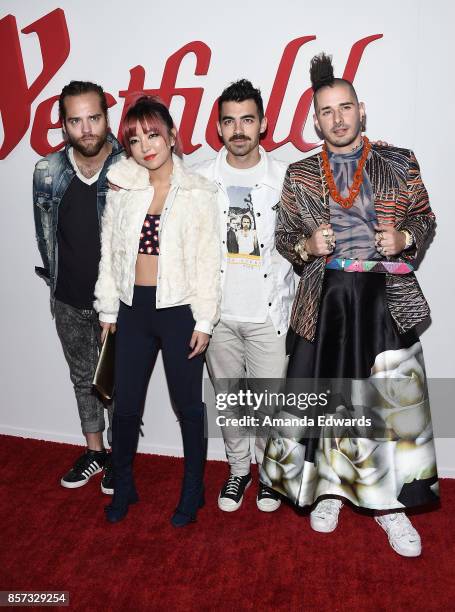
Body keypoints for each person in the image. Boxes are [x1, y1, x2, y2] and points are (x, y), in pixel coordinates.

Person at [260, 53, 438, 557]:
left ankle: (392, 505)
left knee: (387, 404)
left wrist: (404, 235)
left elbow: (425, 219)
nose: (337, 119)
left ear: (362, 110)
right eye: (326, 111)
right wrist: (305, 247)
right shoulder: (299, 174)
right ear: (314, 119)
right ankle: (332, 491)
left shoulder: (399, 161)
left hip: (385, 300)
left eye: (345, 108)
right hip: (327, 301)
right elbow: (284, 236)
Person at [94, 96, 220, 526]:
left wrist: (204, 320)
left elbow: (208, 261)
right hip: (132, 310)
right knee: (125, 406)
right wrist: (107, 309)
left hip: (179, 310)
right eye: (134, 139)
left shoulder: (199, 191)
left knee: (189, 407)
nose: (145, 145)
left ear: (171, 136)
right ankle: (124, 484)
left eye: (152, 134)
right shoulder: (123, 187)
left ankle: (193, 490)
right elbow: (109, 253)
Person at [195, 80, 295, 513]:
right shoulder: (199, 178)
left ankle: (270, 475)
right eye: (230, 121)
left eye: (247, 120)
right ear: (218, 126)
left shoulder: (288, 178)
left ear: (263, 124)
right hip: (217, 316)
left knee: (270, 405)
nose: (239, 130)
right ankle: (238, 471)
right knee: (231, 403)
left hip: (270, 313)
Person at [33, 81, 124, 494]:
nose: (86, 129)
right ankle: (96, 451)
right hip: (68, 299)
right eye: (76, 120)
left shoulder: (131, 168)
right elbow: (46, 235)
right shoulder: (47, 171)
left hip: (120, 304)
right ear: (63, 123)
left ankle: (121, 458)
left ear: (108, 118)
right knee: (82, 379)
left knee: (120, 381)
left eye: (94, 117)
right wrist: (56, 286)